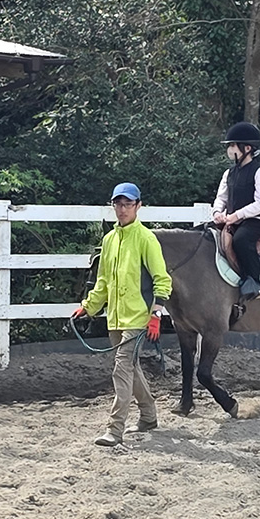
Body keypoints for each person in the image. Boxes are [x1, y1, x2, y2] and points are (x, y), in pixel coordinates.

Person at [72, 182, 172, 447]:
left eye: (128, 204)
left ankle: (115, 430)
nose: (122, 209)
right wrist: (89, 307)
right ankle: (149, 416)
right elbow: (103, 281)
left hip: (138, 317)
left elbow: (162, 279)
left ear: (138, 206)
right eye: (118, 204)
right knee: (131, 368)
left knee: (121, 369)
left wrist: (156, 314)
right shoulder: (109, 240)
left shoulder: (146, 239)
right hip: (115, 317)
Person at [212, 121, 260, 300]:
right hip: (231, 220)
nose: (230, 149)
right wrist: (217, 213)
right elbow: (221, 197)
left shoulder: (259, 172)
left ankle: (254, 282)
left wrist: (237, 215)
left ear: (247, 148)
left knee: (241, 240)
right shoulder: (229, 173)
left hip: (254, 222)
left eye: (233, 145)